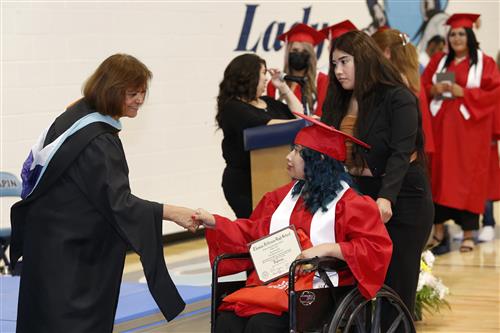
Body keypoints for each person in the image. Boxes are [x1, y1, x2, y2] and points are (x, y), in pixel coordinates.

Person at [10, 54, 198, 333]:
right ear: (111, 92)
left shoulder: (76, 116)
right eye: (132, 93)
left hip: (47, 243)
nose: (139, 101)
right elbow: (118, 203)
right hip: (71, 255)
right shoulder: (98, 141)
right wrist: (172, 212)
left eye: (143, 93)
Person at [194, 114, 392, 333]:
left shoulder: (352, 204)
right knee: (228, 321)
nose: (289, 156)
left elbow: (374, 248)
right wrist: (214, 222)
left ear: (320, 160)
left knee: (262, 325)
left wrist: (329, 249)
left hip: (321, 287)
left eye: (298, 151)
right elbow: (254, 233)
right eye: (292, 148)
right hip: (275, 282)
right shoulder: (280, 198)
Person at [321, 30, 434, 327]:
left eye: (344, 62)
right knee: (353, 285)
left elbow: (401, 152)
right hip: (357, 197)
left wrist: (386, 197)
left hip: (402, 199)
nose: (338, 71)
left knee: (396, 286)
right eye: (334, 64)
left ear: (365, 59)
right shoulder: (337, 100)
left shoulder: (398, 97)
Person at [421, 14, 500, 253]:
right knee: (439, 178)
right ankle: (439, 231)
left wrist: (463, 92)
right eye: (453, 34)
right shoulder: (439, 61)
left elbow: (494, 93)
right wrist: (434, 88)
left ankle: (468, 233)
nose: (456, 38)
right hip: (441, 132)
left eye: (461, 34)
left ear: (470, 37)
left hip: (470, 134)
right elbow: (423, 87)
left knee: (468, 181)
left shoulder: (484, 63)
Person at [217, 53, 303, 219]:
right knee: (256, 228)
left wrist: (283, 88)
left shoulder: (268, 102)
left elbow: (299, 115)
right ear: (248, 75)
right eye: (263, 73)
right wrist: (304, 123)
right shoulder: (233, 107)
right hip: (245, 182)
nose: (266, 79)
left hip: (276, 176)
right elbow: (265, 125)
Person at [372, 28, 435, 155]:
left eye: (374, 52)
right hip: (414, 151)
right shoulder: (412, 77)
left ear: (387, 52)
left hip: (402, 154)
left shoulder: (396, 82)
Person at [267, 23, 328, 116]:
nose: (299, 55)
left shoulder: (321, 80)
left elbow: (321, 115)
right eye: (295, 50)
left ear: (310, 55)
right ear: (288, 52)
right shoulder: (274, 83)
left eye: (304, 52)